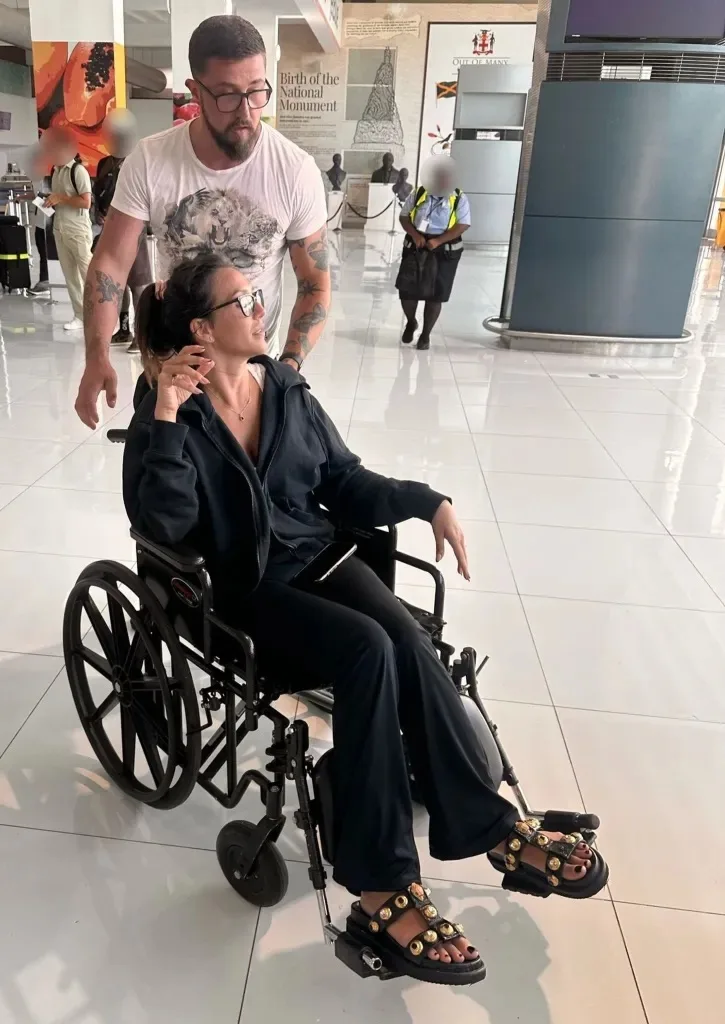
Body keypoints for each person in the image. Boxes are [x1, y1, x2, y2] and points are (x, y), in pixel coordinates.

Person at [123, 251, 609, 987]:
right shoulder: (170, 408)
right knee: (364, 650)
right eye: (242, 300)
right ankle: (380, 883)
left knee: (409, 641)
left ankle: (493, 828)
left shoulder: (282, 387)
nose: (261, 309)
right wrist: (163, 417)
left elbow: (341, 481)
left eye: (258, 295)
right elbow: (163, 520)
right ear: (201, 326)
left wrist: (426, 500)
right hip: (238, 587)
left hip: (315, 555)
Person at [75, 14, 329, 429]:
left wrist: (288, 368)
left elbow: (315, 282)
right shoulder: (152, 161)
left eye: (256, 92)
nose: (246, 112)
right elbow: (110, 265)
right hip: (171, 369)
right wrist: (96, 355)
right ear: (195, 91)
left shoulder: (294, 170)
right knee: (164, 482)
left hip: (253, 373)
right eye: (227, 95)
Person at [93, 110, 153, 353]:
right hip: (108, 230)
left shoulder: (137, 162)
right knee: (116, 282)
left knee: (138, 283)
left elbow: (146, 200)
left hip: (133, 231)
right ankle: (124, 328)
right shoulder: (104, 164)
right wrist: (99, 214)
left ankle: (142, 336)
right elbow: (98, 195)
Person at [398, 157, 471, 350]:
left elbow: (463, 224)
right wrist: (414, 235)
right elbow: (404, 216)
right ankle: (411, 322)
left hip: (444, 250)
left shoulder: (459, 198)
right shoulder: (420, 193)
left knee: (435, 295)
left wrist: (438, 240)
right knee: (407, 292)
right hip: (417, 246)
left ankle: (425, 335)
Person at [42, 127, 93, 331]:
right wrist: (50, 200)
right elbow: (59, 198)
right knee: (70, 276)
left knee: (87, 274)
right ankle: (79, 316)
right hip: (60, 229)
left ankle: (98, 316)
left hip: (78, 230)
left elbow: (86, 202)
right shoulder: (56, 171)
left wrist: (61, 198)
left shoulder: (77, 171)